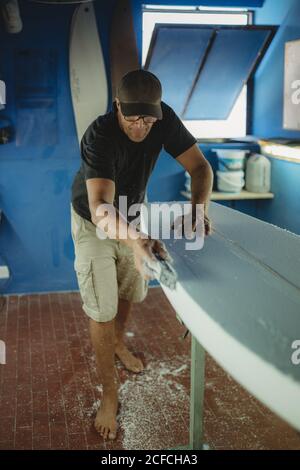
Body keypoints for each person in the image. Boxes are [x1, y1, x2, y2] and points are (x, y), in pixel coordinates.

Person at [70, 69, 213, 441]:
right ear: (117, 106)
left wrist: (199, 208)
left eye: (148, 119)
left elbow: (200, 167)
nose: (141, 127)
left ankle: (119, 342)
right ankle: (109, 394)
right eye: (133, 119)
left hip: (133, 210)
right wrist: (135, 240)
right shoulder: (100, 134)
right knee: (102, 306)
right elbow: (101, 205)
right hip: (94, 219)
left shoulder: (162, 120)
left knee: (131, 288)